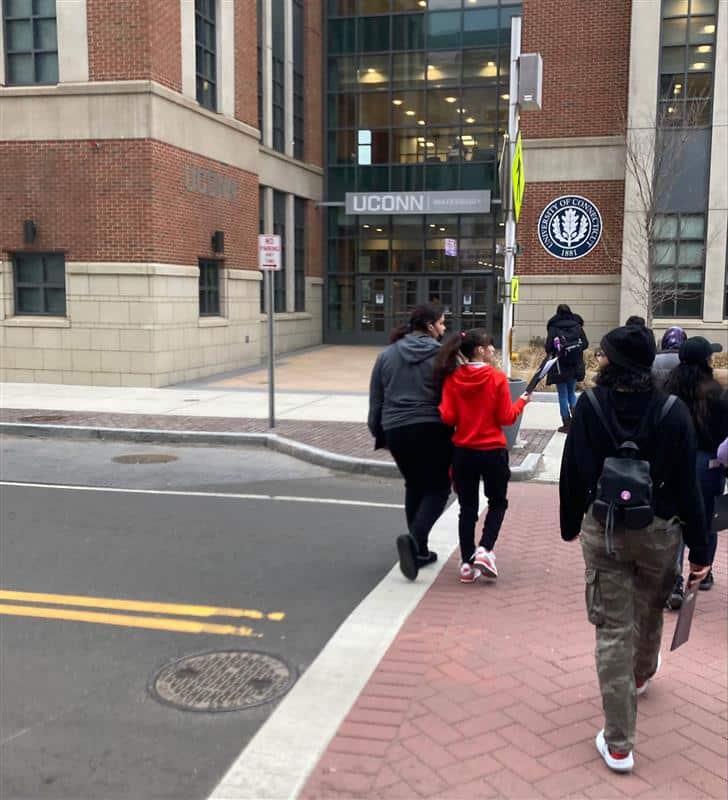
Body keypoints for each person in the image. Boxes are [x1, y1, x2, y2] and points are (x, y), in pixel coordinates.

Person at [559, 324, 711, 774]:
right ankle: (642, 672)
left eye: (603, 355)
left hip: (604, 529)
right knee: (649, 609)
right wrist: (700, 548)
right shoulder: (672, 411)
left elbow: (573, 472)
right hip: (660, 532)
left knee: (611, 629)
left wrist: (570, 524)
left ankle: (620, 743)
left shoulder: (588, 407)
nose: (598, 361)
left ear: (615, 362)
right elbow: (689, 487)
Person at [435, 329, 530, 583]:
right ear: (479, 350)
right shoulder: (496, 379)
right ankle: (485, 549)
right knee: (497, 502)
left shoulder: (452, 378)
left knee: (467, 508)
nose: (493, 351)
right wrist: (521, 402)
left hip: (464, 451)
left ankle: (467, 563)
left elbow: (448, 417)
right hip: (492, 451)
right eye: (490, 347)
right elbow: (506, 417)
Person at [368, 303, 451, 582]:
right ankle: (415, 541)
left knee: (415, 483)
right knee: (439, 488)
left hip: (396, 429)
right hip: (432, 427)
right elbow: (453, 397)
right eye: (441, 323)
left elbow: (376, 400)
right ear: (429, 326)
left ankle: (420, 551)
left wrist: (380, 432)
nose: (444, 328)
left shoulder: (386, 355)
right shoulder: (443, 356)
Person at [664, 336, 727, 605]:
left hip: (674, 462)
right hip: (708, 464)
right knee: (707, 519)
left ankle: (674, 581)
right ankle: (703, 570)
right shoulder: (717, 393)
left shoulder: (667, 388)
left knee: (676, 521)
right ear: (706, 360)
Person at [545, 304, 588, 433]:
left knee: (562, 395)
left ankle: (566, 424)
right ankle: (576, 423)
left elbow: (548, 347)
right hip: (574, 364)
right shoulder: (577, 326)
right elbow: (585, 343)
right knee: (571, 394)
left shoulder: (553, 327)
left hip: (559, 366)